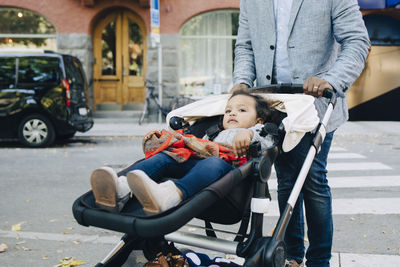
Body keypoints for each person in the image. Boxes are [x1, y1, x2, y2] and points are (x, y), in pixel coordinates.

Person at [231, 0, 370, 266]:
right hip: (272, 105)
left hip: (317, 104)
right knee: (286, 181)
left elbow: (356, 42)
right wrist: (242, 81)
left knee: (313, 180)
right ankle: (293, 255)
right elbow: (246, 46)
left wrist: (331, 79)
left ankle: (319, 260)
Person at [90, 90, 275, 214]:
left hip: (229, 183)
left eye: (241, 110)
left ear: (258, 121)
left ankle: (169, 196)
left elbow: (268, 140)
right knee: (167, 156)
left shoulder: (257, 132)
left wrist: (249, 133)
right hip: (197, 172)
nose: (232, 113)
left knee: (214, 162)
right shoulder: (214, 132)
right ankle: (120, 189)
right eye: (228, 110)